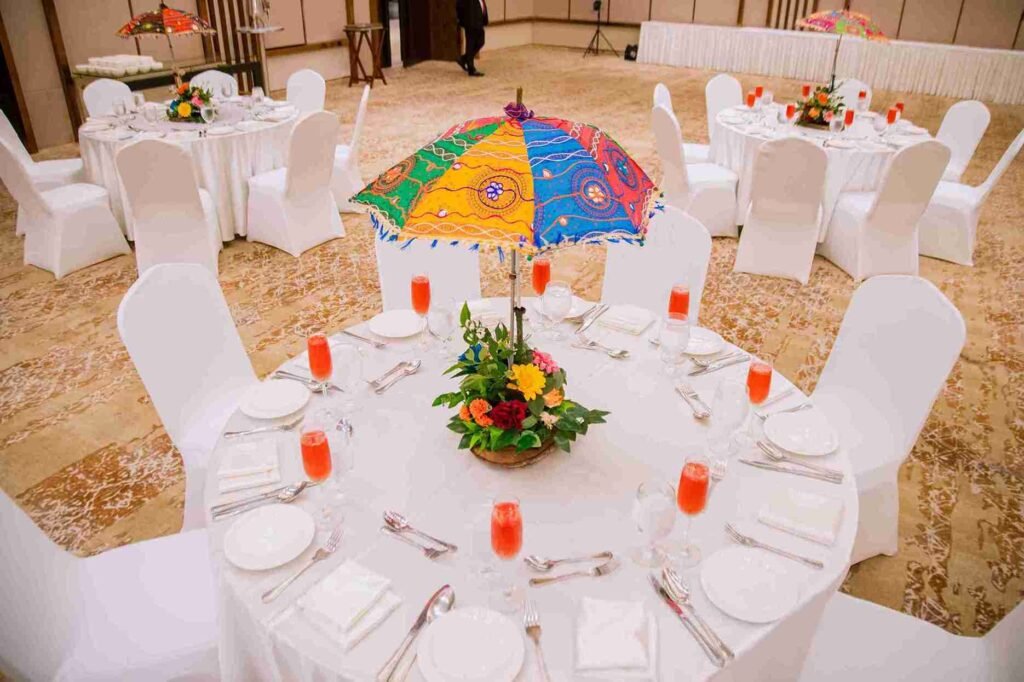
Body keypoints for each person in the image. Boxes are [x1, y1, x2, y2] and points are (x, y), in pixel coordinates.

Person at [456, 0, 488, 77]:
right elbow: (459, 5)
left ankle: (464, 59)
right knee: (470, 45)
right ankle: (471, 69)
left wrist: (484, 19)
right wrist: (462, 20)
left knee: (481, 41)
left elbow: (482, 6)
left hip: (479, 22)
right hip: (471, 23)